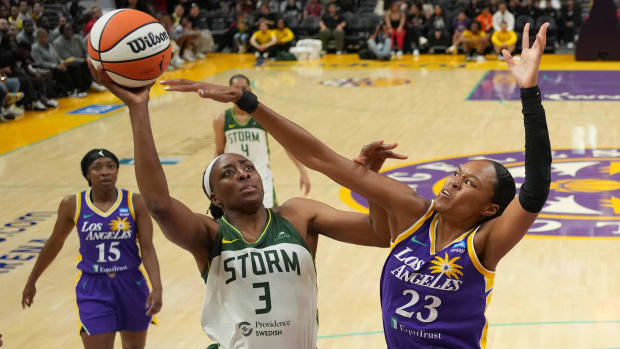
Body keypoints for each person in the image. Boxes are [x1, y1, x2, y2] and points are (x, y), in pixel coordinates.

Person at [161, 22, 552, 349]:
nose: (453, 183)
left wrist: (529, 91)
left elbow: (534, 190)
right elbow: (321, 158)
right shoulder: (413, 212)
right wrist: (251, 102)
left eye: (469, 183)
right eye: (456, 173)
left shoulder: (485, 243)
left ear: (488, 208)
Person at [88, 65, 390, 349]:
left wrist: (370, 180)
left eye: (247, 167)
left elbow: (380, 234)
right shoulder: (209, 234)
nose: (243, 172)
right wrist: (138, 109)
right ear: (214, 197)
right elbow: (159, 204)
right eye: (227, 173)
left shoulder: (298, 215)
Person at [21, 149, 163, 349]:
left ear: (117, 171)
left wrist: (157, 287)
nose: (105, 172)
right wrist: (31, 281)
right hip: (93, 287)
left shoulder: (134, 202)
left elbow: (148, 249)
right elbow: (54, 243)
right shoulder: (72, 204)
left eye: (110, 166)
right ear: (87, 174)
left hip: (131, 283)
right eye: (97, 168)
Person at [213, 74, 310, 208]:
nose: (240, 92)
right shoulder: (222, 119)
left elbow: (286, 144)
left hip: (261, 176)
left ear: (250, 90)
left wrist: (302, 171)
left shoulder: (261, 116)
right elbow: (219, 153)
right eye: (236, 88)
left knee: (269, 218)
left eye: (244, 89)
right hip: (234, 180)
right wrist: (214, 182)